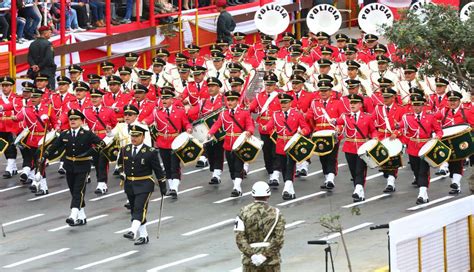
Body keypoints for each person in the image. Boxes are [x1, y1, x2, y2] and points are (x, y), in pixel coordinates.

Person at [43, 109, 105, 226]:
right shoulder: (65, 134)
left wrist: (90, 152)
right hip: (69, 166)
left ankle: (73, 215)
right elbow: (54, 146)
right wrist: (45, 155)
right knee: (73, 191)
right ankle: (82, 216)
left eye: (75, 119)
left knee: (78, 191)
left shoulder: (87, 134)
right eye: (71, 119)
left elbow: (101, 144)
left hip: (83, 166)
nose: (72, 121)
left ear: (81, 121)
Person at [118, 125, 167, 245]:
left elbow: (158, 170)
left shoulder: (151, 152)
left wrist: (163, 185)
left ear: (143, 137)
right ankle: (144, 235)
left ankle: (132, 231)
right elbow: (120, 165)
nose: (134, 138)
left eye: (137, 136)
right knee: (135, 209)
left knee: (140, 208)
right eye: (132, 136)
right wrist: (121, 173)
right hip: (130, 184)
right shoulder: (125, 149)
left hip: (144, 184)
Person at [262, 93, 311, 200]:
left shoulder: (297, 114)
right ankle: (291, 192)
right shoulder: (276, 115)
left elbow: (306, 128)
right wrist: (265, 127)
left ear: (290, 103)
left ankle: (285, 189)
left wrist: (303, 131)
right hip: (280, 145)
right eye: (281, 103)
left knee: (290, 167)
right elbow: (270, 125)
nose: (283, 105)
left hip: (292, 145)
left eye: (285, 102)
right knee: (283, 168)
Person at [209, 90, 255, 197]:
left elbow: (250, 125)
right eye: (228, 100)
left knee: (238, 166)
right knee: (231, 167)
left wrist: (249, 131)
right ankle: (236, 186)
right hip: (228, 144)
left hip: (240, 144)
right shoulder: (224, 113)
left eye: (232, 100)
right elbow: (217, 124)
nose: (229, 102)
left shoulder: (244, 112)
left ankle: (237, 187)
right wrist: (210, 133)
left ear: (237, 101)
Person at [398, 95, 443, 204]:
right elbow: (401, 127)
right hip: (413, 148)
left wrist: (437, 137)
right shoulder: (407, 117)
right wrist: (396, 128)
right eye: (414, 105)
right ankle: (423, 192)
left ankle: (422, 194)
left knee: (423, 171)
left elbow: (439, 130)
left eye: (418, 105)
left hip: (425, 147)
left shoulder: (430, 117)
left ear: (423, 105)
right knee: (416, 170)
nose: (416, 107)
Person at [334, 94, 377, 202]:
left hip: (362, 147)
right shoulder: (346, 116)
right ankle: (359, 190)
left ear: (361, 104)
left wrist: (375, 138)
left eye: (355, 103)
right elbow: (338, 122)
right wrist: (335, 124)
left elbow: (373, 130)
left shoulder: (367, 117)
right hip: (349, 147)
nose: (352, 105)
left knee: (360, 170)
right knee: (353, 171)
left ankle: (358, 189)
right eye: (351, 103)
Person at [234, 181, 286, 271]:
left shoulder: (243, 212)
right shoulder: (276, 213)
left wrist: (252, 255)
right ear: (268, 195)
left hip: (250, 261)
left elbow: (239, 238)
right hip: (271, 261)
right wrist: (264, 255)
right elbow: (279, 239)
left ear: (253, 195)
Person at [0, 76, 21, 178]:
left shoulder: (16, 98)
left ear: (11, 87)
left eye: (7, 86)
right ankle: (13, 167)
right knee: (3, 146)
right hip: (1, 126)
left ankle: (9, 167)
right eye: (3, 86)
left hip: (13, 126)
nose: (4, 88)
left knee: (11, 146)